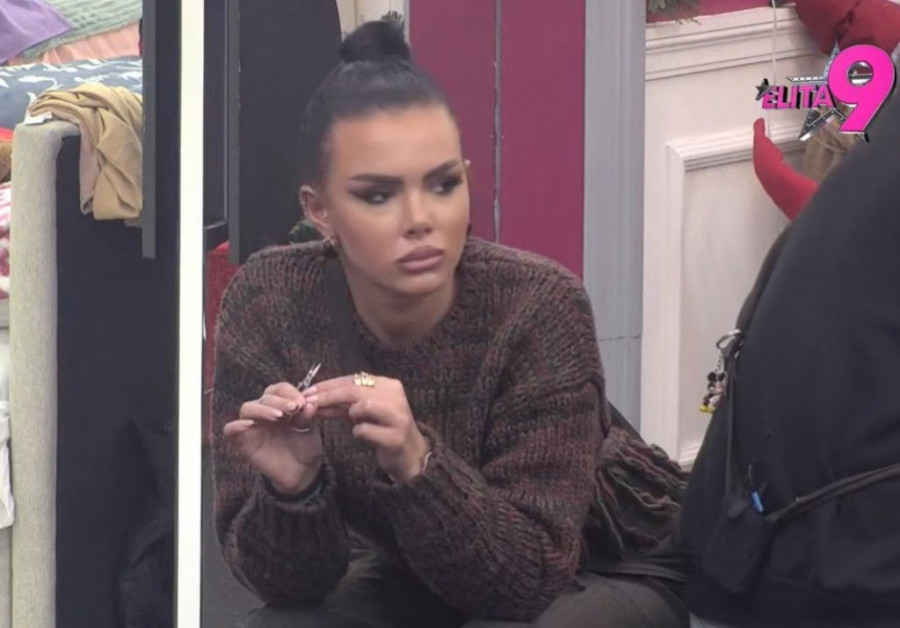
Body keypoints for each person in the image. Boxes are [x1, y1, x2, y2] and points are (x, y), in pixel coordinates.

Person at [211, 20, 688, 628]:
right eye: (378, 195)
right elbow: (289, 587)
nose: (420, 219)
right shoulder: (269, 301)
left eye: (443, 185)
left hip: (596, 561)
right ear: (320, 210)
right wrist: (294, 490)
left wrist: (417, 460)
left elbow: (528, 580)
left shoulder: (538, 305)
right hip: (414, 559)